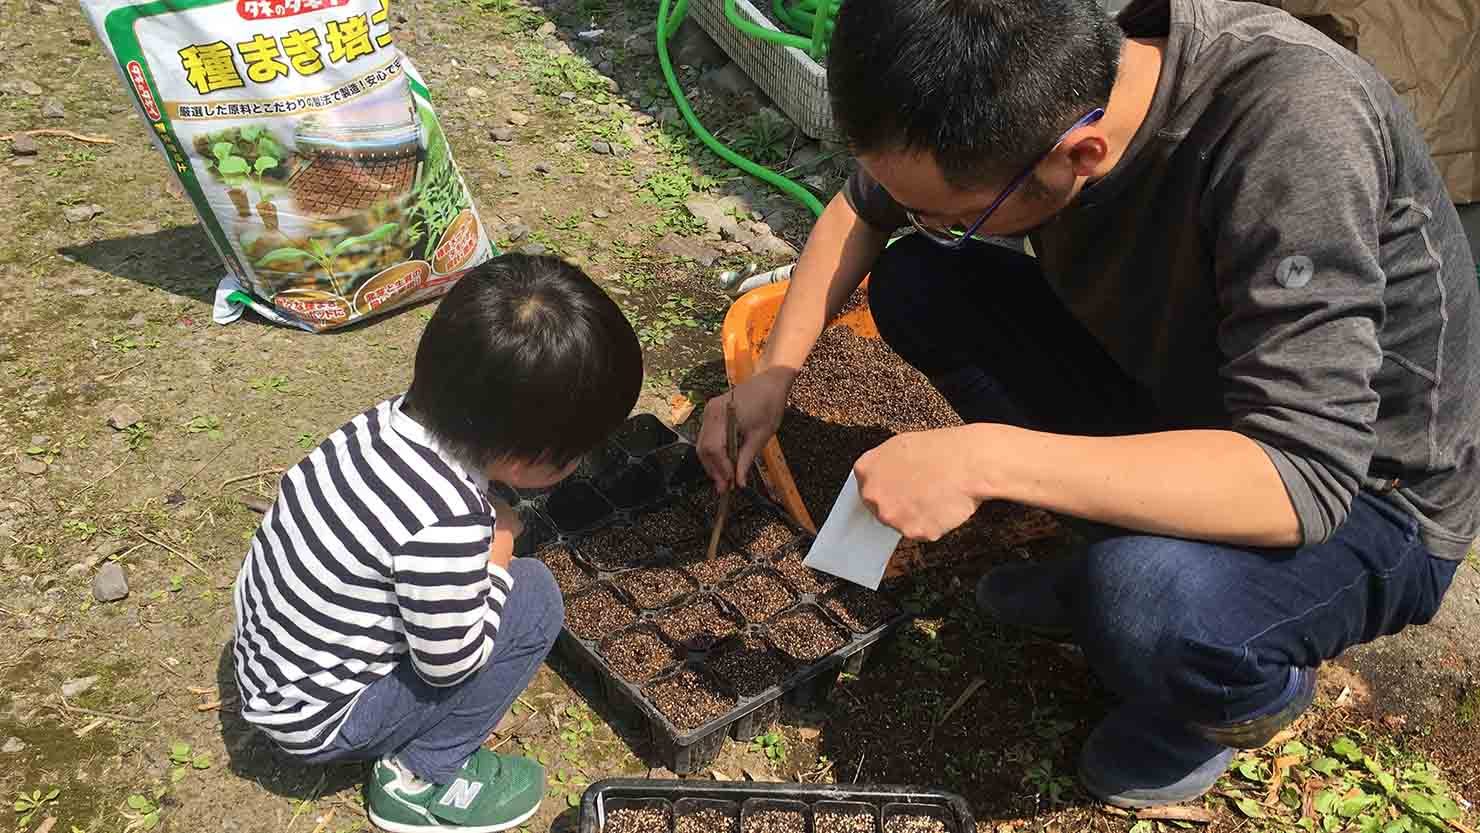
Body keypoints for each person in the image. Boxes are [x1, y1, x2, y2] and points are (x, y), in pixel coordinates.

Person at [698, 0, 1479, 808]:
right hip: (1195, 394)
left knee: (1143, 595)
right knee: (918, 281)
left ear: (1082, 154)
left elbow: (1303, 475)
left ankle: (1239, 696)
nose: (931, 221)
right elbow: (865, 208)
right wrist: (773, 376)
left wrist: (987, 458)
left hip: (1369, 495)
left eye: (960, 218)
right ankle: (1116, 548)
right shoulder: (1050, 67)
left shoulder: (1295, 131)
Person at [232, 254, 643, 832]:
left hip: (269, 663)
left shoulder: (378, 426)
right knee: (534, 600)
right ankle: (420, 776)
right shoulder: (444, 523)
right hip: (316, 719)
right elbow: (450, 666)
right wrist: (498, 557)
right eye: (580, 449)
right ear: (527, 458)